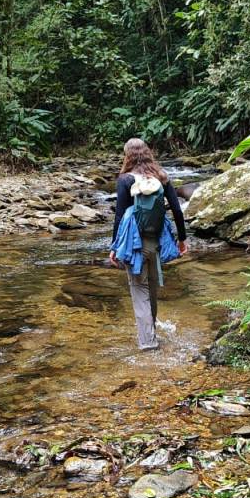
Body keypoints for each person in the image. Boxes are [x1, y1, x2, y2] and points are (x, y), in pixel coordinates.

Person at [109, 138, 188, 351]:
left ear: (127, 155)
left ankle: (148, 343)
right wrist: (182, 239)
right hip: (157, 244)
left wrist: (114, 247)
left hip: (134, 246)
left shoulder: (125, 180)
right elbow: (177, 210)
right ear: (148, 153)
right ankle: (151, 332)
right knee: (151, 290)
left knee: (139, 291)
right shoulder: (162, 177)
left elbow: (119, 217)